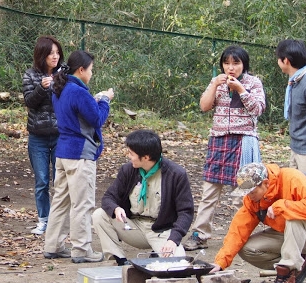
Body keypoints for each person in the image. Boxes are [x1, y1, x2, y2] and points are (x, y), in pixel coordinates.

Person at [183, 45, 265, 251]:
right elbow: (204, 106)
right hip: (219, 139)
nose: (231, 68)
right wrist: (213, 85)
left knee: (242, 192)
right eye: (227, 63)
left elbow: (258, 109)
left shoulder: (253, 83)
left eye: (236, 63)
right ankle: (200, 234)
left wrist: (240, 90)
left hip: (243, 141)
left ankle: (241, 234)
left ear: (243, 65)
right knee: (210, 190)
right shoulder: (218, 82)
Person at [211, 162, 306, 283]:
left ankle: (287, 273)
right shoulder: (252, 200)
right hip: (289, 234)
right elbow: (238, 231)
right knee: (247, 249)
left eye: (252, 192)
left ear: (265, 183)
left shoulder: (292, 178)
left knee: (292, 216)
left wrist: (281, 206)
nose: (250, 196)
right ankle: (300, 266)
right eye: (246, 193)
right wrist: (220, 262)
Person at [43, 50, 113, 263]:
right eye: (91, 70)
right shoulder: (78, 91)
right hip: (80, 153)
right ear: (81, 70)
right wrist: (105, 100)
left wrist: (95, 100)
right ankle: (82, 249)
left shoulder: (60, 88)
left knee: (60, 201)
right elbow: (97, 119)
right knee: (82, 203)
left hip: (63, 153)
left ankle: (53, 245)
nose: (92, 74)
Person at [92, 130, 194, 264]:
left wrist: (173, 239)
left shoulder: (176, 174)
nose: (128, 156)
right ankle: (119, 260)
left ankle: (158, 254)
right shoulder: (128, 170)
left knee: (176, 265)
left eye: (131, 154)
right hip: (133, 226)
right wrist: (116, 209)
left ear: (146, 157)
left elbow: (186, 212)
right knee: (99, 215)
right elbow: (108, 197)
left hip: (161, 232)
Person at [22, 35, 64, 235]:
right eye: (50, 53)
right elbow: (29, 101)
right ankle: (43, 220)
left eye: (57, 53)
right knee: (41, 181)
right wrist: (42, 87)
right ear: (42, 55)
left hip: (59, 134)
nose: (55, 57)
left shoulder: (64, 74)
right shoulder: (30, 75)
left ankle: (58, 222)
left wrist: (58, 85)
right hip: (37, 135)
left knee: (60, 180)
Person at [276, 39, 306, 189]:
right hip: (297, 147)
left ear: (286, 61)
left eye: (278, 58)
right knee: (295, 192)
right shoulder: (295, 81)